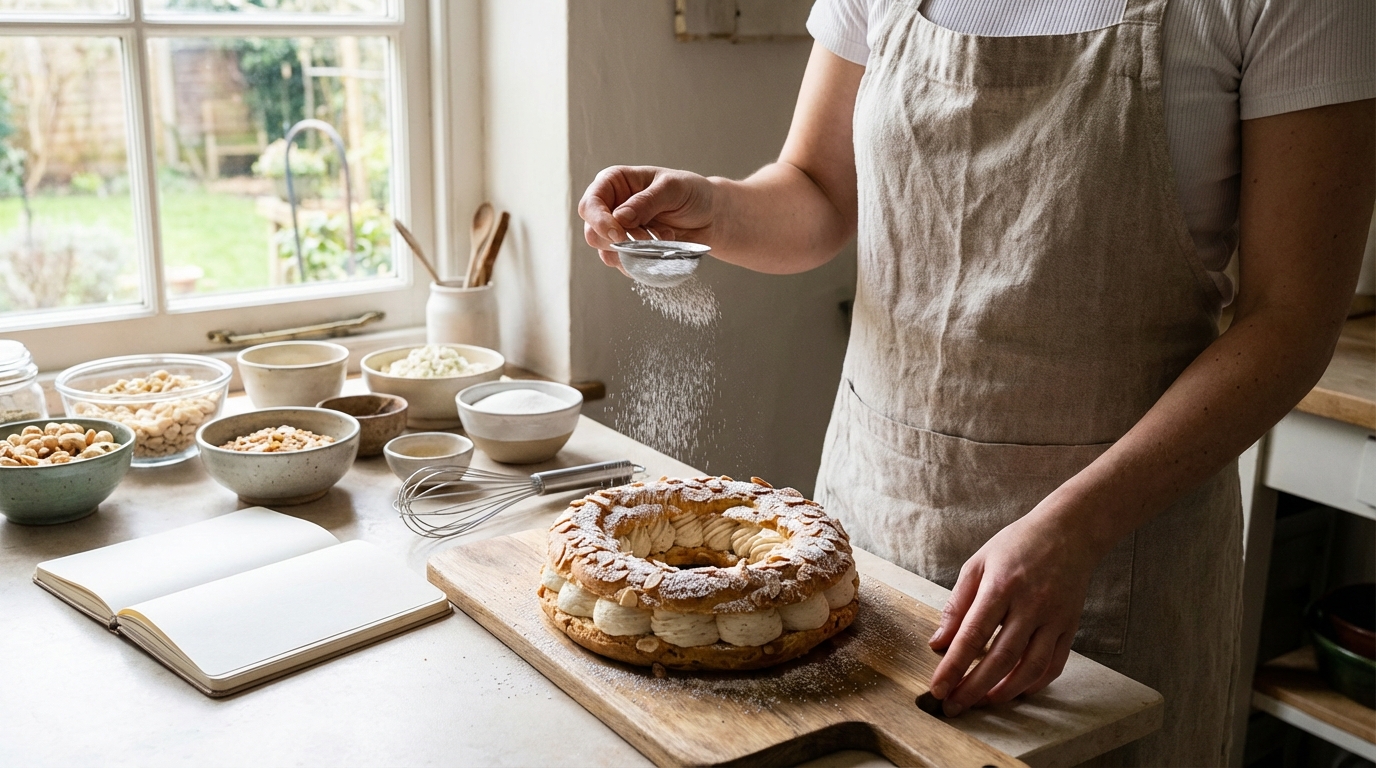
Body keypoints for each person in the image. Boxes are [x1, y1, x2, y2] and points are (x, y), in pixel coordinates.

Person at [577, 0, 1374, 763]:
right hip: (877, 518)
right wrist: (711, 207)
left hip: (1113, 553)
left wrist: (1077, 528)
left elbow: (1292, 320)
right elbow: (817, 192)